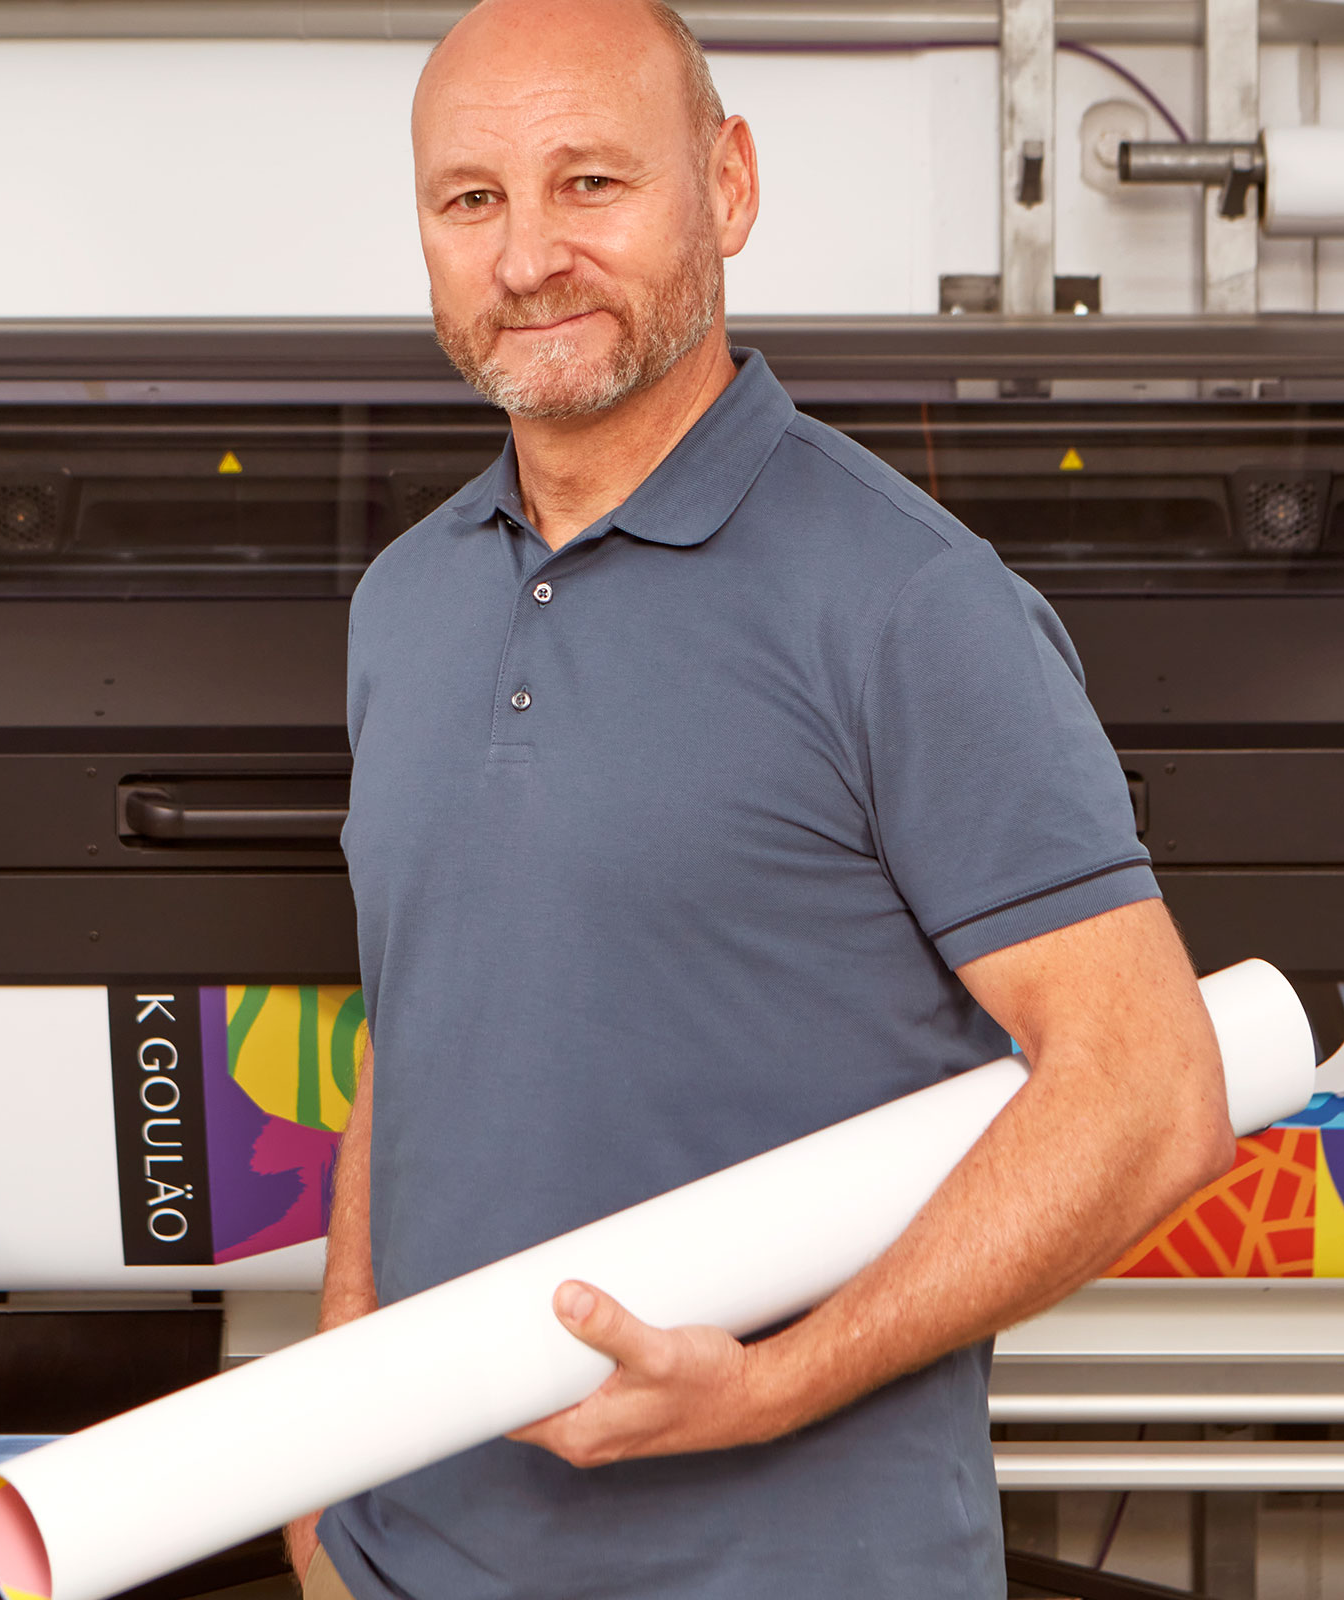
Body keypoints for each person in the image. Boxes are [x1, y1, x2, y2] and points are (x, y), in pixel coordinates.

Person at [284, 0, 1243, 1595]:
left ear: (725, 187)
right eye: (472, 201)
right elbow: (429, 1019)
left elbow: (1150, 1091)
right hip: (416, 1564)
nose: (526, 258)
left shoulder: (906, 603)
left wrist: (774, 1384)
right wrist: (330, 1473)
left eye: (591, 184)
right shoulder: (407, 603)